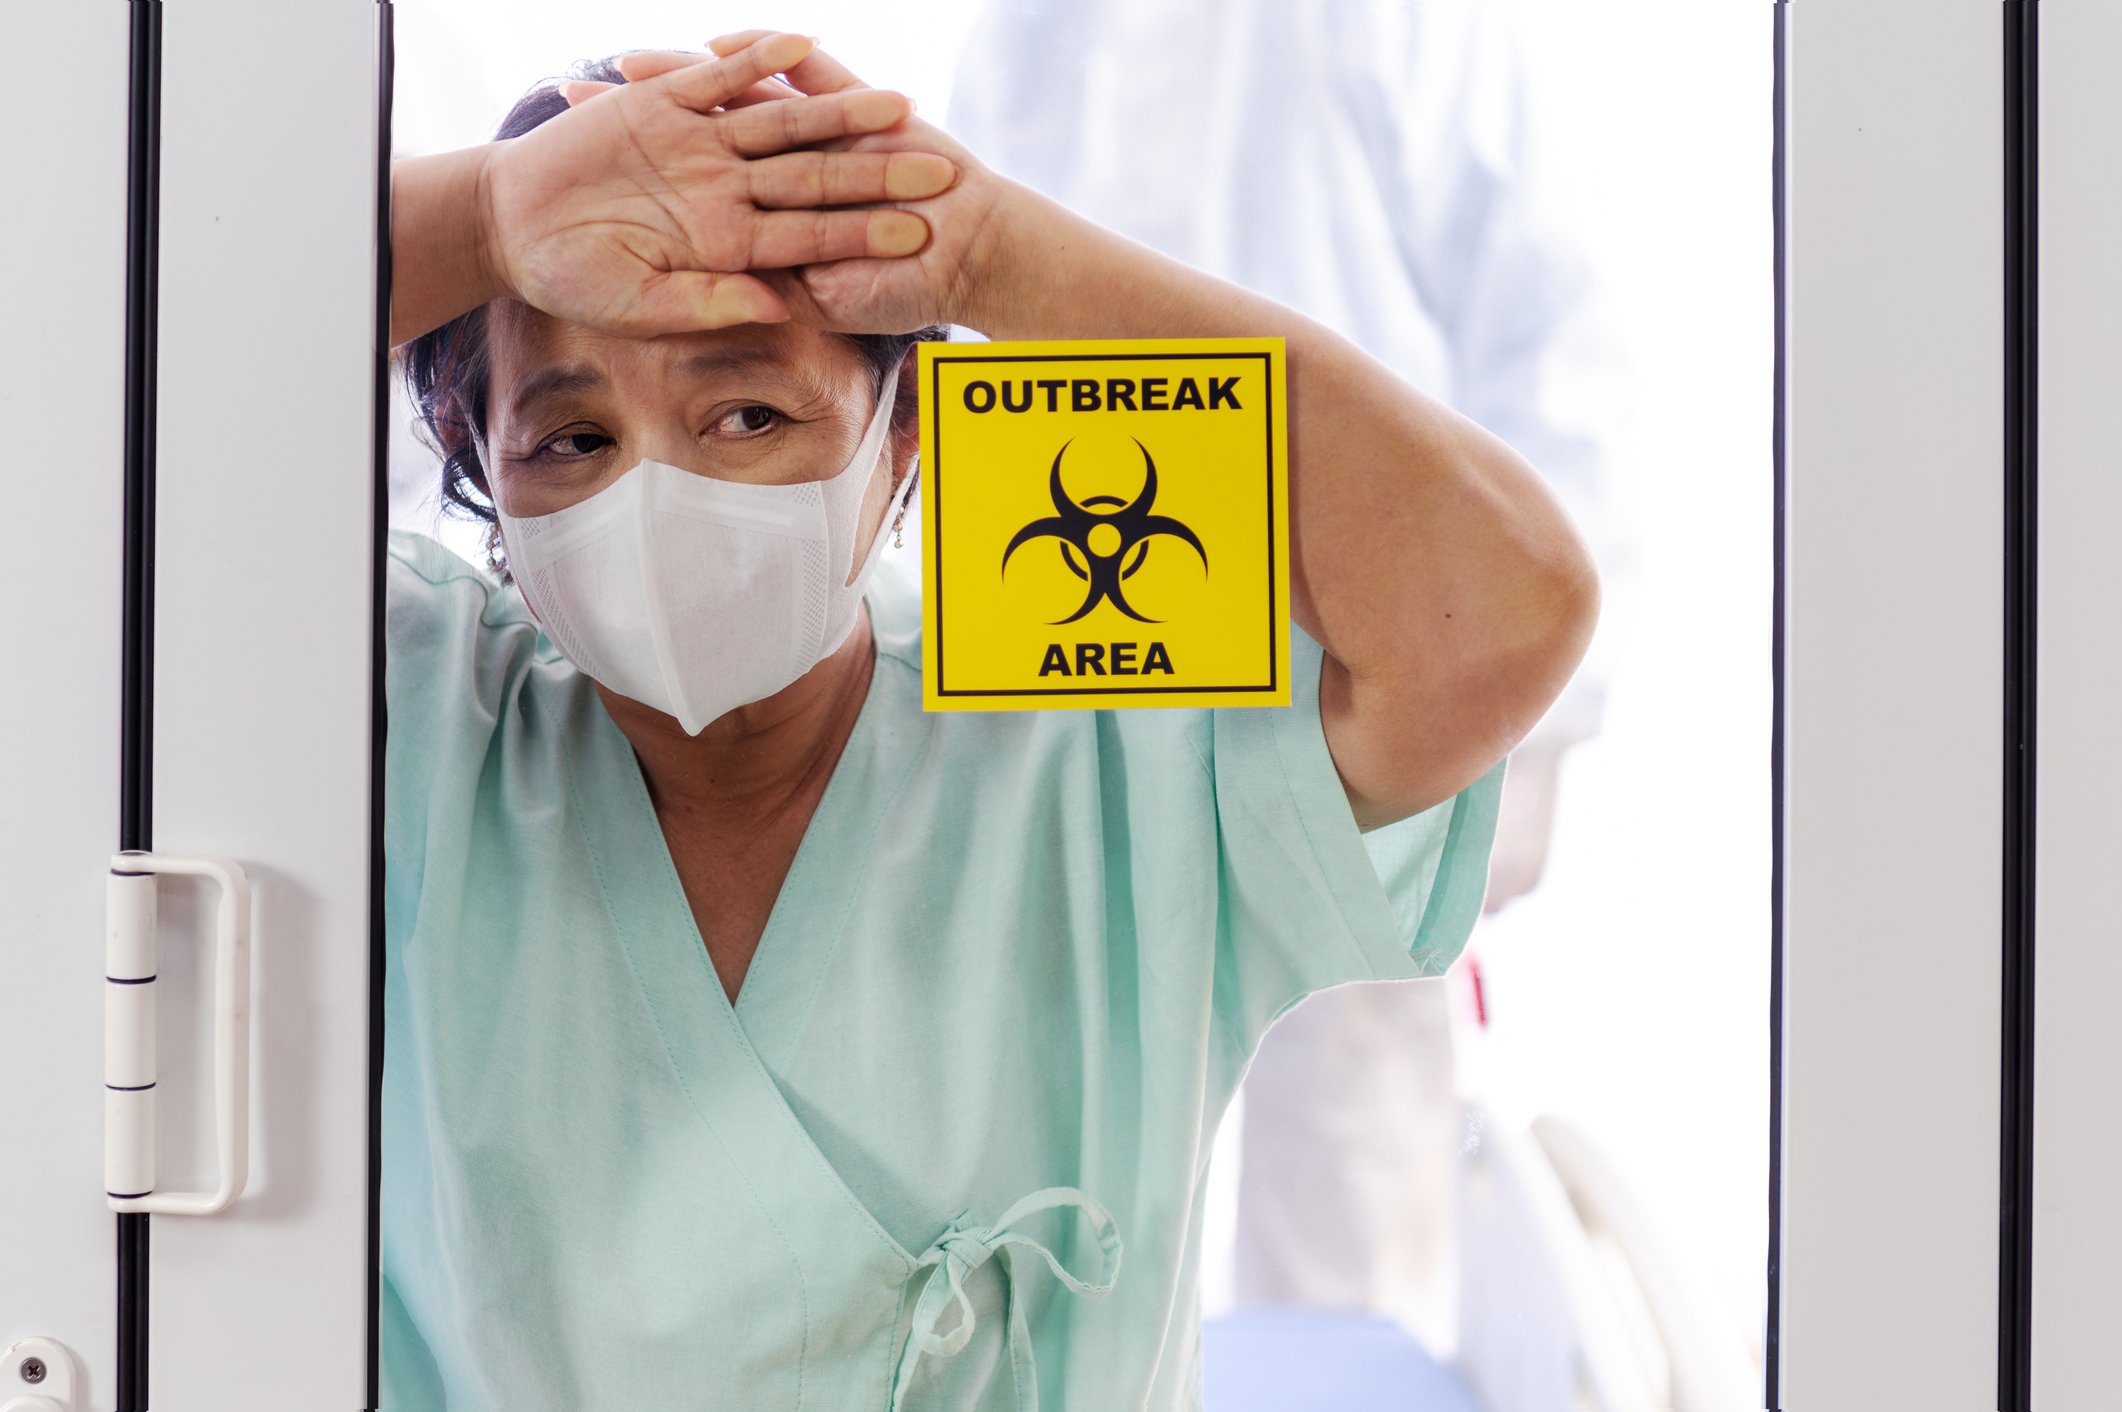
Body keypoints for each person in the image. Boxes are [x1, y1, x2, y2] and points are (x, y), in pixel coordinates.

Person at [381, 30, 1598, 1410]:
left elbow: (1500, 611)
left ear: (900, 443)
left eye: (748, 413)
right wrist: (483, 218)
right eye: (573, 440)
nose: (661, 495)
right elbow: (120, 376)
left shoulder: (1083, 747)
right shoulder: (412, 732)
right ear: (479, 461)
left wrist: (987, 254)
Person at [946, 0, 1629, 1351]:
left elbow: (1548, 343)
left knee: (1346, 1185)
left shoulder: (1400, 25)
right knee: (1055, 1139)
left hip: (1356, 670)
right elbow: (963, 337)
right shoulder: (1028, 30)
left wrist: (1539, 730)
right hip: (1071, 658)